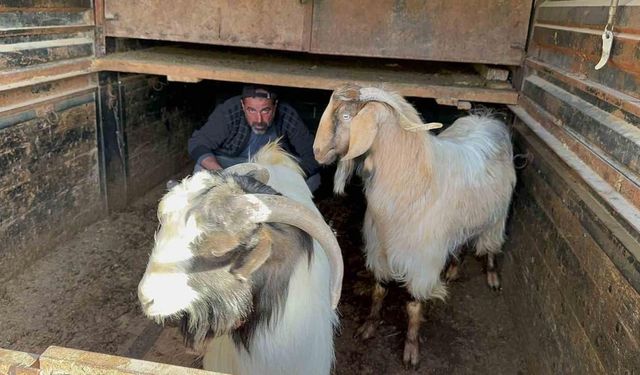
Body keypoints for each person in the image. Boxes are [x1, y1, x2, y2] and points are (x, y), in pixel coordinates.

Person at [187, 85, 321, 191]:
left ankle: (276, 207)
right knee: (201, 168)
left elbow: (312, 155)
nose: (259, 119)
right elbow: (198, 143)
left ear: (275, 107)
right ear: (243, 106)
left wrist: (286, 177)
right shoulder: (229, 110)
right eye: (252, 110)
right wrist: (221, 174)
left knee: (314, 179)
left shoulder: (287, 115)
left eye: (265, 111)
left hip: (274, 171)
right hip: (233, 166)